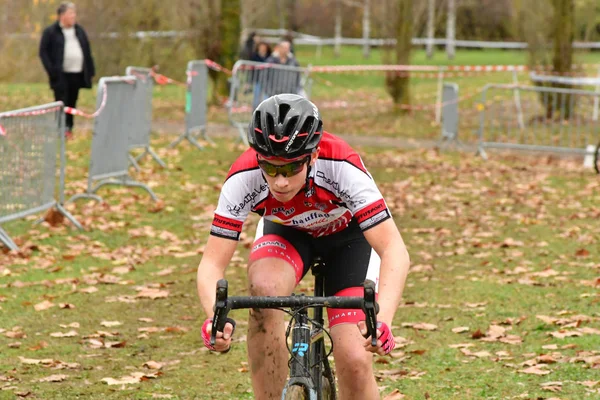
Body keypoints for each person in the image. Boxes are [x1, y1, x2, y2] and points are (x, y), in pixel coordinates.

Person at [197, 94, 411, 400]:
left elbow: (394, 250)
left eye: (291, 168)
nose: (281, 182)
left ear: (312, 156)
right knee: (263, 290)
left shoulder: (341, 165)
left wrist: (383, 321)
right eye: (270, 168)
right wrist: (214, 320)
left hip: (348, 240)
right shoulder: (242, 177)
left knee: (354, 355)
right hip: (288, 235)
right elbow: (211, 264)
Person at [39, 2, 95, 139]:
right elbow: (43, 52)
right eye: (70, 13)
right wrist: (52, 70)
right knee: (61, 102)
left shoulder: (79, 31)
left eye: (74, 13)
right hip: (60, 75)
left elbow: (87, 50)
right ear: (61, 16)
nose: (73, 16)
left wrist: (90, 70)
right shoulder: (51, 32)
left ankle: (69, 129)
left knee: (72, 102)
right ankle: (60, 129)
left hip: (76, 73)